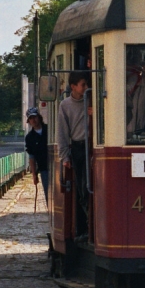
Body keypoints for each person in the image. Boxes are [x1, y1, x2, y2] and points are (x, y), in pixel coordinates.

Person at [57, 71, 90, 237]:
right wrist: (65, 156)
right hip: (78, 148)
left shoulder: (92, 100)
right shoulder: (65, 105)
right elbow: (62, 132)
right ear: (73, 87)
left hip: (92, 146)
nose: (86, 88)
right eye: (83, 85)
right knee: (83, 187)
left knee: (91, 186)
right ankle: (86, 226)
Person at [24, 108, 48, 197]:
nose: (33, 120)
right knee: (48, 193)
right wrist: (34, 174)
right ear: (28, 121)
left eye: (35, 117)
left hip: (55, 166)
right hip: (43, 168)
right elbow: (31, 157)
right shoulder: (29, 137)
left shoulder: (49, 130)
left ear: (39, 117)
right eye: (31, 118)